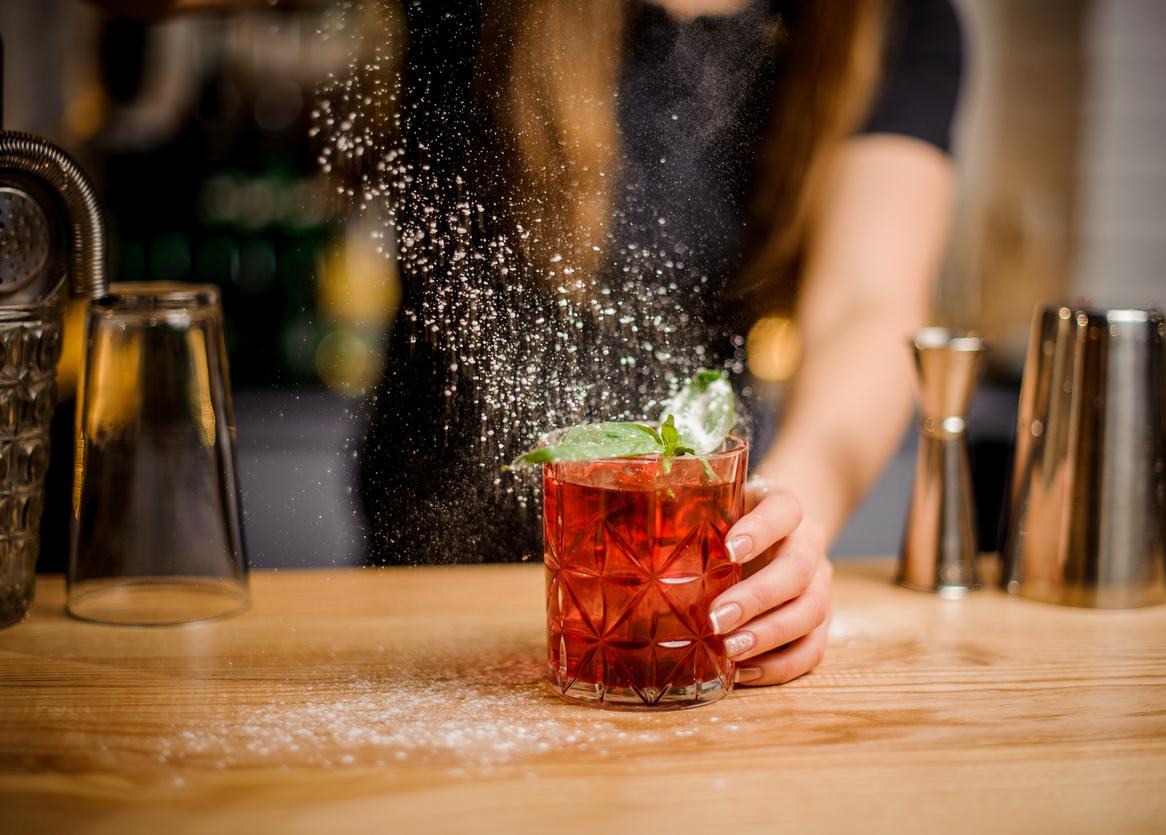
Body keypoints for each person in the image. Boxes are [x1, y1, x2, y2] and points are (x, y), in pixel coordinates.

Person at [91, 0, 962, 688]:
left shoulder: (895, 18)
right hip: (412, 605)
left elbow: (867, 301)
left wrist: (778, 530)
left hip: (678, 594)